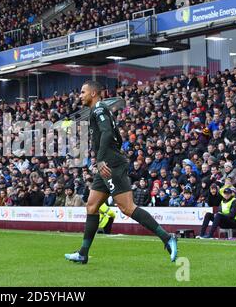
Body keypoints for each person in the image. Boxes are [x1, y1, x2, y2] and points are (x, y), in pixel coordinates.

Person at [65, 81, 178, 264]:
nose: (80, 95)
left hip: (111, 165)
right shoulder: (98, 110)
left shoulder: (99, 109)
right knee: (92, 206)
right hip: (106, 165)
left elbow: (107, 133)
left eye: (83, 92)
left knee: (127, 208)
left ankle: (167, 238)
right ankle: (83, 253)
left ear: (93, 93)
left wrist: (100, 159)